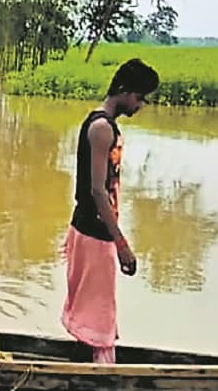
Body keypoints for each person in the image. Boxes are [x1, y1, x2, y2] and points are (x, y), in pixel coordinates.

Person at [60, 58, 159, 364]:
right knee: (99, 311)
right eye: (139, 98)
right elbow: (97, 191)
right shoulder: (102, 128)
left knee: (94, 310)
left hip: (92, 228)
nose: (140, 105)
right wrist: (122, 245)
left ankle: (81, 368)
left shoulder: (103, 126)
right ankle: (94, 374)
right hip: (94, 231)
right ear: (124, 91)